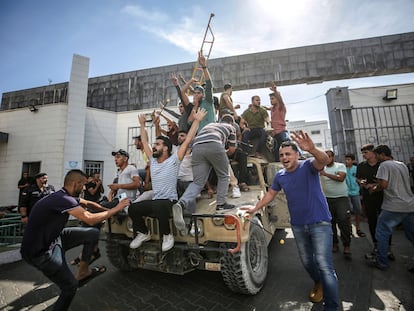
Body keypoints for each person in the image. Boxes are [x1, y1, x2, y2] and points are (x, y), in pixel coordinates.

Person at [243, 132, 339, 310]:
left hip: (320, 223)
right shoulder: (280, 175)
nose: (284, 157)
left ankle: (332, 307)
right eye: (281, 155)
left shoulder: (308, 166)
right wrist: (255, 208)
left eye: (288, 154)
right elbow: (270, 194)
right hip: (298, 225)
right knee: (307, 261)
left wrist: (312, 149)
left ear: (297, 155)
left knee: (324, 265)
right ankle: (319, 283)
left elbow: (323, 160)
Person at [20, 169, 130, 311]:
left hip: (55, 237)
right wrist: (116, 209)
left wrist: (107, 209)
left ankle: (83, 271)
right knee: (70, 287)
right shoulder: (64, 200)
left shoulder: (64, 195)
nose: (84, 188)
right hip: (41, 253)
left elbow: (89, 204)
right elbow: (89, 219)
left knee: (92, 234)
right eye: (83, 185)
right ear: (76, 183)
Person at [128, 108, 207, 252]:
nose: (153, 146)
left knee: (159, 205)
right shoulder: (152, 160)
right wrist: (142, 125)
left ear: (166, 148)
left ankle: (167, 235)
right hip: (157, 201)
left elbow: (188, 139)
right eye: (155, 144)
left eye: (157, 144)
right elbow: (144, 142)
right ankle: (144, 233)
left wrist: (197, 120)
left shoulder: (174, 160)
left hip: (169, 202)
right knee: (132, 208)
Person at [172, 113, 237, 233]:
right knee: (223, 175)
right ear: (231, 123)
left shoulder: (210, 125)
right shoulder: (231, 128)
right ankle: (221, 204)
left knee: (197, 182)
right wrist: (220, 156)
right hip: (215, 145)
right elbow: (232, 150)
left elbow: (194, 143)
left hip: (197, 148)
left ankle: (181, 203)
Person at [366, 145, 414, 270]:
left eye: (376, 155)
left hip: (393, 205)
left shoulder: (384, 165)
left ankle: (382, 261)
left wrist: (374, 188)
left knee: (381, 232)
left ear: (382, 154)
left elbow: (384, 184)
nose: (375, 157)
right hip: (409, 204)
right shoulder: (402, 164)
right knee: (411, 234)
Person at [356, 144, 394, 259]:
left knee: (386, 223)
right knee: (372, 222)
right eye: (362, 153)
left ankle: (388, 248)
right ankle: (377, 246)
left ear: (373, 152)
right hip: (368, 197)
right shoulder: (361, 166)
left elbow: (386, 181)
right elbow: (358, 178)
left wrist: (375, 185)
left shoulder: (382, 165)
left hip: (383, 197)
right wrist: (361, 182)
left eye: (366, 152)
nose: (364, 155)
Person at [320, 151, 352, 260]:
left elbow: (340, 178)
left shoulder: (340, 166)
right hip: (327, 199)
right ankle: (335, 243)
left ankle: (347, 245)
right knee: (330, 223)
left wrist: (325, 174)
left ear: (333, 157)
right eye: (325, 157)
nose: (327, 159)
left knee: (343, 221)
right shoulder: (321, 168)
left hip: (341, 198)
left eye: (328, 157)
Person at [187, 51, 215, 131]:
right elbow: (189, 122)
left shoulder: (208, 100)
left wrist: (204, 66)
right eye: (195, 93)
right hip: (201, 136)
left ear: (203, 94)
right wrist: (195, 106)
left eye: (198, 93)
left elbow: (209, 85)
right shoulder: (194, 107)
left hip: (212, 132)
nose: (196, 95)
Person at [344, 153, 366, 237]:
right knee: (348, 212)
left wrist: (360, 183)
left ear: (352, 161)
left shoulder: (356, 169)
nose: (347, 161)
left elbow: (360, 178)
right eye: (346, 159)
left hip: (356, 192)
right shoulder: (343, 169)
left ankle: (358, 229)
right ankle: (349, 229)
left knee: (358, 211)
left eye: (348, 159)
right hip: (346, 193)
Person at [268, 82, 290, 161]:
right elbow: (266, 108)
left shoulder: (281, 107)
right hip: (275, 134)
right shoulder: (272, 109)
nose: (271, 100)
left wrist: (275, 91)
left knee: (288, 145)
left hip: (281, 132)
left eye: (273, 98)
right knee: (275, 151)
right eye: (270, 99)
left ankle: (300, 155)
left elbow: (280, 100)